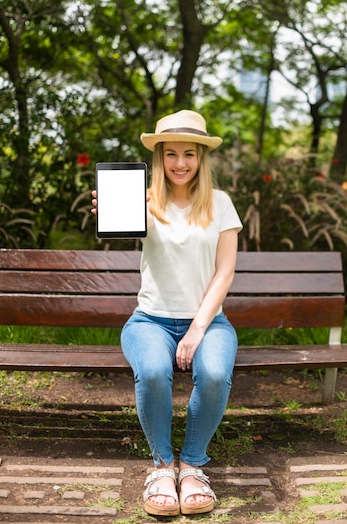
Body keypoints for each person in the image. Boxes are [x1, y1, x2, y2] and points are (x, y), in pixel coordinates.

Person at [92, 109, 242, 516]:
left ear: (201, 157)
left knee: (213, 373)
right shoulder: (145, 201)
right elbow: (119, 226)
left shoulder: (221, 204)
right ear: (159, 157)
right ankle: (161, 467)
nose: (180, 163)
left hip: (209, 322)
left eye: (189, 154)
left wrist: (196, 328)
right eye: (171, 153)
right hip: (149, 320)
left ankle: (192, 466)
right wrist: (110, 208)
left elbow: (225, 272)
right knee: (155, 372)